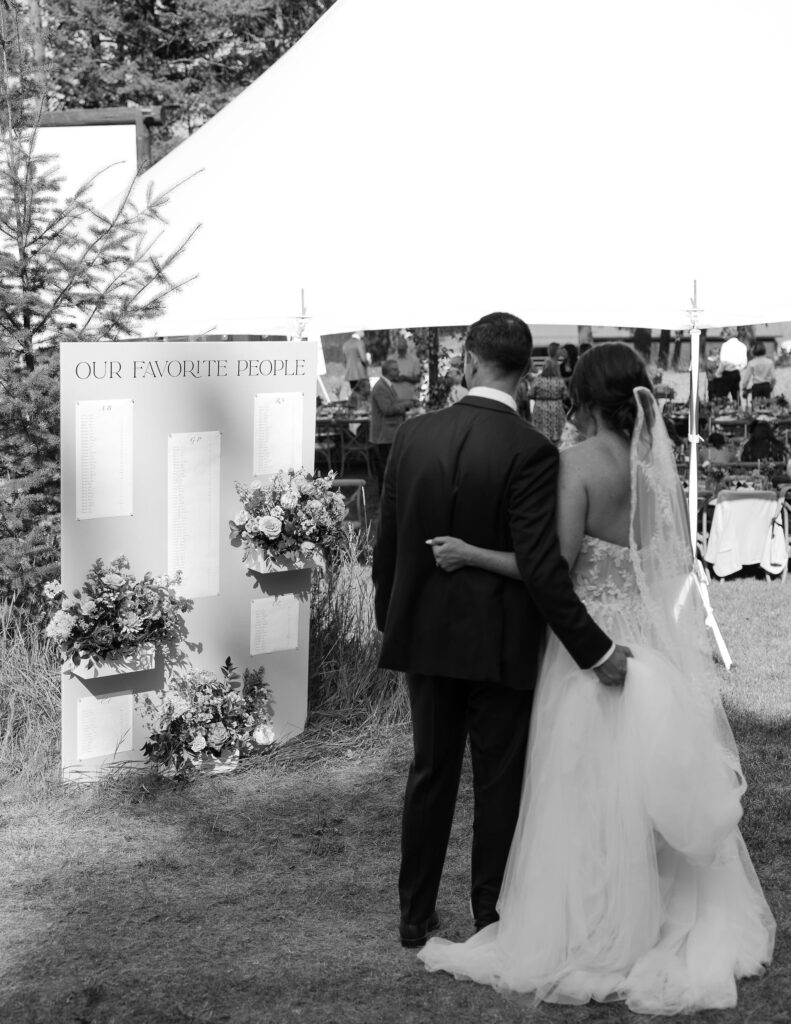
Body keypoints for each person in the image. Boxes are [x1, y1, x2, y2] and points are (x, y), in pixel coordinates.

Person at [418, 343, 775, 1013]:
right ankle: (659, 914)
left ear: (578, 398)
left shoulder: (573, 466)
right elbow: (652, 563)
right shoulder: (649, 470)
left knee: (582, 789)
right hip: (643, 645)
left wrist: (469, 553)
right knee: (641, 790)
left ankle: (595, 924)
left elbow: (545, 570)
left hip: (587, 647)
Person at [372, 312, 630, 951]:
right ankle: (490, 913)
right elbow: (544, 569)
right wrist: (593, 648)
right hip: (501, 641)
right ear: (527, 372)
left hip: (425, 641)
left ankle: (415, 915)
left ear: (468, 361)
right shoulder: (533, 450)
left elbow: (387, 550)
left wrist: (391, 626)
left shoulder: (413, 436)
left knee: (430, 771)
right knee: (498, 779)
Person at [370, 357, 414, 490]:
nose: (398, 372)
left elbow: (393, 403)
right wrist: (406, 405)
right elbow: (387, 409)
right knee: (385, 472)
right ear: (387, 371)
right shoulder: (380, 387)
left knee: (389, 471)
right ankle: (384, 503)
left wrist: (407, 402)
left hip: (388, 434)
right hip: (384, 437)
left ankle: (388, 500)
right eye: (395, 370)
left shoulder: (386, 385)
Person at [529, 360, 567, 445]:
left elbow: (530, 394)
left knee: (541, 432)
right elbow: (565, 395)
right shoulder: (559, 380)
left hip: (540, 407)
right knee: (556, 432)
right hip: (556, 407)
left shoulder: (538, 380)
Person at [713, 332, 748, 402]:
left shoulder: (725, 345)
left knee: (721, 397)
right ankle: (738, 410)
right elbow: (744, 363)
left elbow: (723, 361)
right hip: (736, 373)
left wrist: (718, 373)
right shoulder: (743, 346)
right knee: (736, 396)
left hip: (726, 373)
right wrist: (737, 368)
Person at [741, 341, 775, 407]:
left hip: (756, 387)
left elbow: (746, 378)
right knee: (767, 407)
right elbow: (773, 378)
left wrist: (744, 387)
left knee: (756, 407)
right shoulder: (769, 362)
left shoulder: (752, 363)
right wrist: (771, 387)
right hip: (766, 386)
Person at [392, 332, 422, 403]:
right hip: (394, 398)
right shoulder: (391, 359)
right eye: (399, 349)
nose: (401, 351)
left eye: (403, 349)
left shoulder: (414, 360)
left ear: (406, 347)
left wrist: (405, 378)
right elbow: (386, 378)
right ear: (397, 348)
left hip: (410, 398)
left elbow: (417, 378)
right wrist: (394, 378)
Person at [342, 330, 369, 398]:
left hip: (351, 375)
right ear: (358, 331)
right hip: (360, 374)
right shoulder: (359, 343)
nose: (364, 331)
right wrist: (368, 361)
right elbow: (363, 359)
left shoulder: (346, 344)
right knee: (364, 395)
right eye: (362, 330)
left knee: (355, 394)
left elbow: (345, 361)